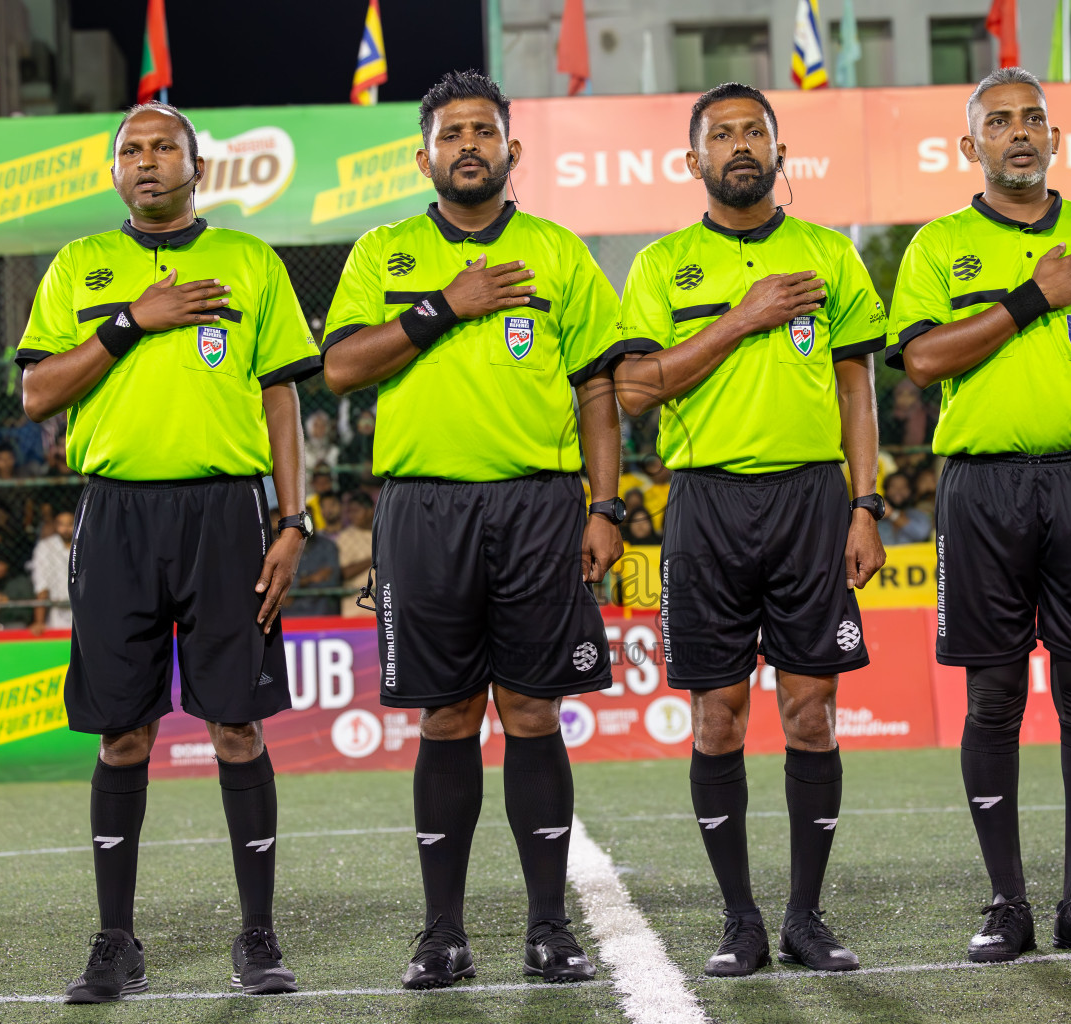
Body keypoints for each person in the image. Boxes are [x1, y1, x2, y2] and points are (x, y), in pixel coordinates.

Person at [321, 71, 628, 989]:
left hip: (539, 505)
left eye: (483, 131)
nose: (468, 143)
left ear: (510, 150)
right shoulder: (383, 251)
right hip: (422, 509)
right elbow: (339, 368)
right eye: (451, 132)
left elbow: (599, 390)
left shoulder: (559, 253)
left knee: (533, 710)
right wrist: (443, 305)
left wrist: (605, 507)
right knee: (446, 713)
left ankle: (547, 929)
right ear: (424, 156)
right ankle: (442, 934)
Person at [14, 100, 318, 1001]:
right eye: (131, 151)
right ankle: (116, 943)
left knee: (237, 725)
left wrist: (294, 520)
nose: (147, 162)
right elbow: (36, 394)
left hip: (228, 514)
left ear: (199, 167)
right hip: (116, 518)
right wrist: (129, 322)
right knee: (122, 733)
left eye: (164, 148)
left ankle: (258, 937)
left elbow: (281, 401)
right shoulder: (79, 266)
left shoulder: (249, 262)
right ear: (115, 172)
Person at [886, 67, 1071, 964]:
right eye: (1000, 122)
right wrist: (1031, 298)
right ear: (970, 147)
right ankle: (1005, 903)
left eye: (1034, 119)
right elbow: (923, 362)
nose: (1020, 132)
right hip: (982, 488)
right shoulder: (938, 246)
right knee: (994, 696)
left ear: (1055, 140)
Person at [612, 82, 887, 977]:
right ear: (693, 158)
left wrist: (865, 502)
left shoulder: (829, 255)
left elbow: (857, 389)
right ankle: (741, 920)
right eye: (721, 135)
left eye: (753, 134)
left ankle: (806, 917)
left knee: (811, 713)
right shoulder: (661, 266)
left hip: (812, 503)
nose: (738, 146)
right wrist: (742, 319)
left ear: (779, 151)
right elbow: (635, 389)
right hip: (707, 505)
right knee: (718, 717)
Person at [29, 511, 74, 636]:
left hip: (84, 610)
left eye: (70, 524)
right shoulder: (45, 547)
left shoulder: (86, 544)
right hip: (57, 611)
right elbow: (41, 586)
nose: (66, 528)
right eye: (61, 524)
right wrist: (39, 621)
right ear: (55, 525)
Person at [334, 491, 373, 617]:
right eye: (349, 512)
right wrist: (374, 558)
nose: (351, 516)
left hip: (386, 605)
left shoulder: (385, 534)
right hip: (355, 607)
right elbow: (343, 573)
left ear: (370, 511)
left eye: (356, 511)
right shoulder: (345, 537)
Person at [0, 549, 37, 629]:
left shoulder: (21, 582)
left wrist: (6, 601)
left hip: (18, 625)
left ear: (7, 563)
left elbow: (28, 610)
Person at [878, 473, 931, 545]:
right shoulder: (877, 516)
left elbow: (922, 533)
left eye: (903, 487)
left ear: (911, 491)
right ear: (886, 490)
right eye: (893, 486)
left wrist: (892, 514)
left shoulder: (918, 514)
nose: (898, 490)